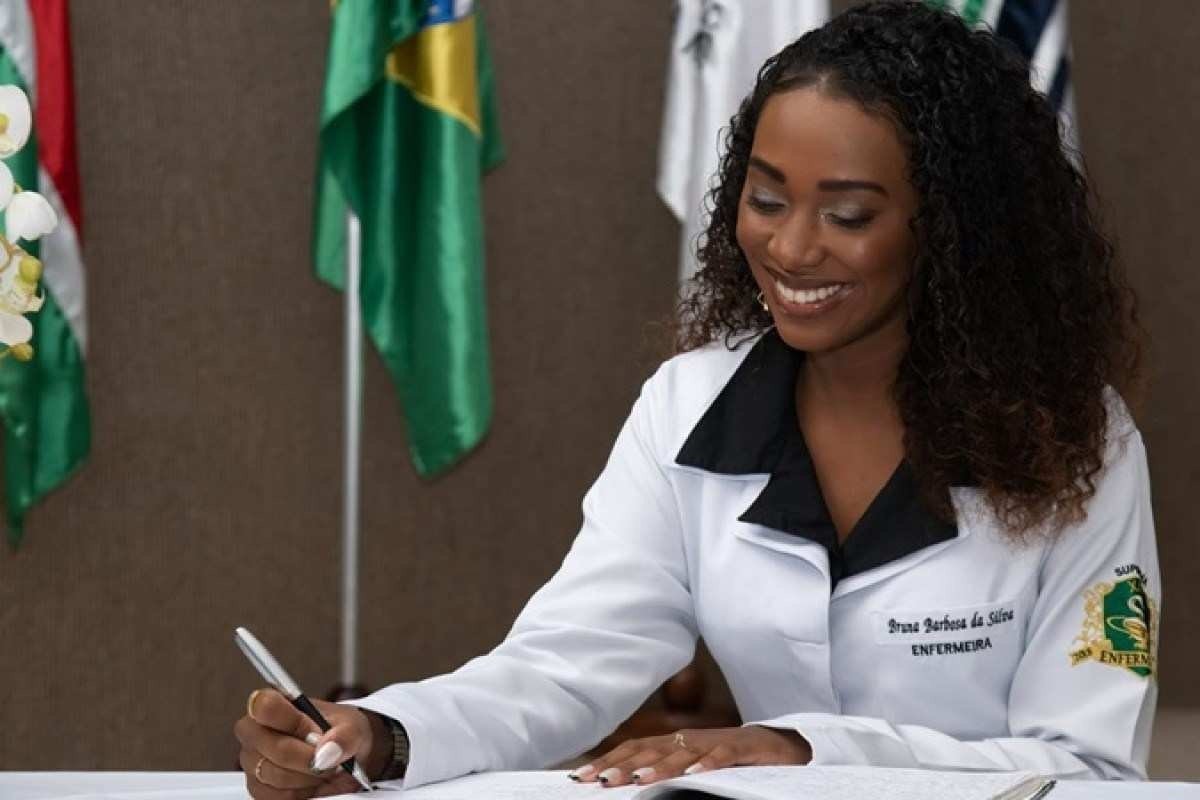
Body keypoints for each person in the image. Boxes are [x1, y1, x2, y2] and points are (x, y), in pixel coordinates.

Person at [234, 2, 1157, 796]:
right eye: (766, 199)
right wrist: (383, 734)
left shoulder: (1080, 441)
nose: (791, 249)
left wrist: (803, 752)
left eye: (847, 215)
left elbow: (1088, 769)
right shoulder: (690, 403)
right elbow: (563, 665)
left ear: (952, 228)